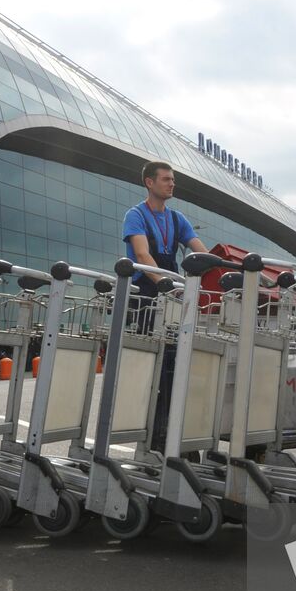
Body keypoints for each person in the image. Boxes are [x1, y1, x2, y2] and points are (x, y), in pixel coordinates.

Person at [123, 161, 207, 454]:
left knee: (179, 363)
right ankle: (155, 435)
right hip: (147, 295)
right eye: (166, 179)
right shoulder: (135, 216)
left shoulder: (177, 218)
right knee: (156, 367)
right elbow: (143, 254)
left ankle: (174, 434)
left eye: (173, 180)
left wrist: (221, 272)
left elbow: (201, 251)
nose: (172, 184)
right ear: (149, 182)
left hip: (172, 296)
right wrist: (164, 283)